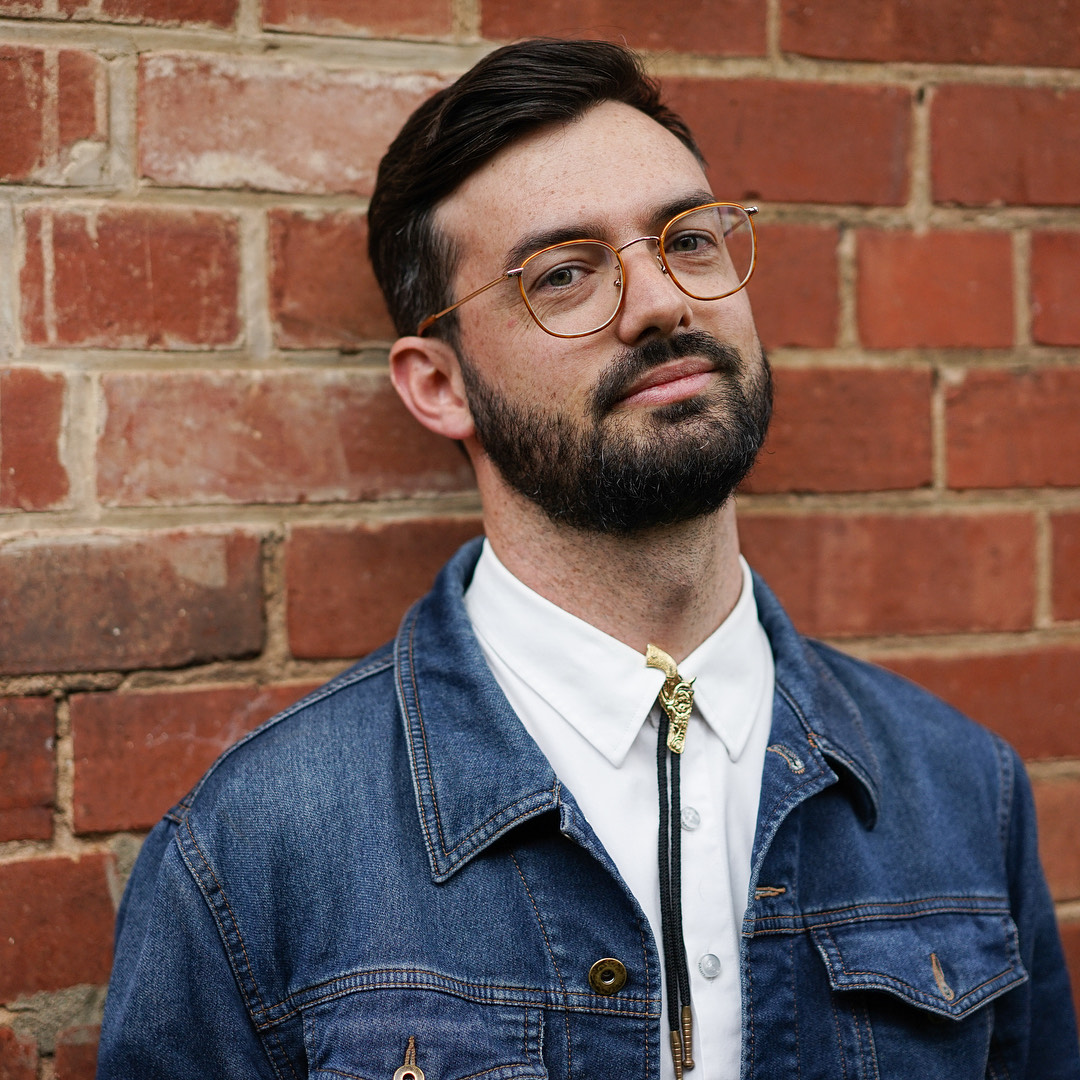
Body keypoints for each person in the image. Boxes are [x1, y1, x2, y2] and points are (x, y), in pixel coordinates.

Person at [97, 38, 1079, 1080]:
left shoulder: (962, 791)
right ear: (441, 386)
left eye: (689, 240)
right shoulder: (257, 850)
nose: (663, 302)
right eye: (564, 274)